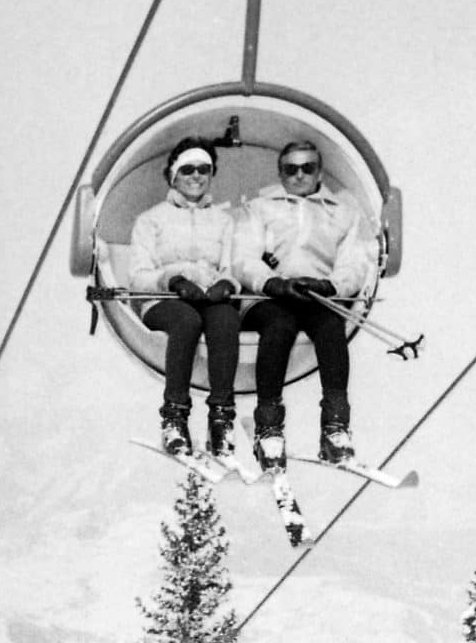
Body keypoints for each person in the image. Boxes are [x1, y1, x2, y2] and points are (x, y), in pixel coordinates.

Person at [233, 135, 374, 466]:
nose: (299, 176)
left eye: (307, 169)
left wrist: (329, 286)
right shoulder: (261, 209)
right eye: (291, 169)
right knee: (279, 326)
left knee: (330, 327)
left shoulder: (342, 214)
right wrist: (273, 283)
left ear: (319, 173)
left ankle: (335, 427)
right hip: (270, 297)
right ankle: (268, 428)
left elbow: (353, 263)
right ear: (281, 173)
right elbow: (243, 258)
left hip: (315, 296)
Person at [127, 138, 241, 457]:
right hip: (163, 301)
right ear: (173, 175)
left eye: (204, 169)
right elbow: (138, 275)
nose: (196, 176)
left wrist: (226, 283)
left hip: (207, 296)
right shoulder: (151, 220)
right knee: (186, 321)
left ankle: (221, 416)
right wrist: (172, 279)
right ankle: (175, 415)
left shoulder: (223, 220)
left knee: (226, 320)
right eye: (188, 169)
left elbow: (232, 266)